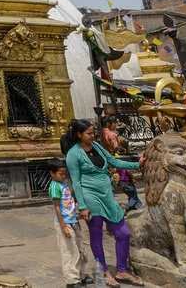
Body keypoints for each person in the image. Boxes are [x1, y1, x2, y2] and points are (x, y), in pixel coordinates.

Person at [63, 119, 143, 287]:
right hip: (90, 197)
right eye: (89, 133)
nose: (93, 136)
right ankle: (104, 271)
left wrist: (137, 164)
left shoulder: (98, 147)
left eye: (93, 133)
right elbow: (76, 182)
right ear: (79, 134)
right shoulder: (73, 154)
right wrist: (82, 206)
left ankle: (121, 270)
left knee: (123, 233)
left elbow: (114, 161)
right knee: (97, 235)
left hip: (107, 195)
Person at [47, 159, 91, 288]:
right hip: (64, 222)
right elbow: (57, 208)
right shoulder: (54, 186)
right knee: (70, 252)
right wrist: (63, 226)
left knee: (81, 249)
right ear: (52, 173)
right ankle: (72, 280)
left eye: (64, 173)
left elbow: (69, 202)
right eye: (61, 173)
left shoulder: (64, 184)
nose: (63, 175)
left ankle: (82, 274)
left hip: (73, 220)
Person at [101, 117, 142, 211]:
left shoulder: (101, 133)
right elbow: (116, 148)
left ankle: (134, 202)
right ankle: (133, 203)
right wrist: (123, 147)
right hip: (116, 159)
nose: (116, 125)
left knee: (119, 181)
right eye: (115, 123)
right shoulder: (111, 134)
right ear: (109, 124)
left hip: (109, 161)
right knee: (126, 180)